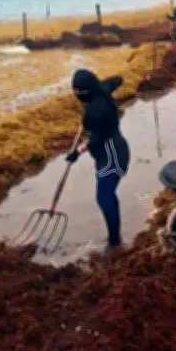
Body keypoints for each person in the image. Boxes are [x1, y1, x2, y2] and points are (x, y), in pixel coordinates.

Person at [65, 69, 130, 252]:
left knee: (104, 197)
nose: (76, 95)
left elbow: (96, 139)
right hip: (110, 151)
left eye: (78, 92)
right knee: (107, 194)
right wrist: (112, 82)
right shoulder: (100, 89)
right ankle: (115, 237)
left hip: (112, 156)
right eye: (74, 90)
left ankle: (115, 242)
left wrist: (77, 152)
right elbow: (118, 78)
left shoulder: (95, 110)